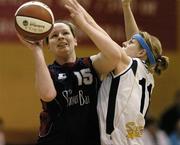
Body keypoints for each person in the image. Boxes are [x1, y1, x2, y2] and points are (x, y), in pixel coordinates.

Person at [17, 0, 123, 144]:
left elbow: (116, 55)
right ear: (49, 46)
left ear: (75, 40)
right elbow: (47, 94)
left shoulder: (90, 64)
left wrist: (84, 24)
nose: (60, 36)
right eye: (54, 36)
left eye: (65, 33)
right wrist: (37, 50)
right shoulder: (49, 71)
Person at [97, 0, 169, 144]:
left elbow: (131, 44)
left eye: (129, 43)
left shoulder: (132, 64)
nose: (124, 43)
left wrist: (81, 17)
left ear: (142, 52)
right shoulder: (148, 73)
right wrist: (126, 7)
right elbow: (137, 42)